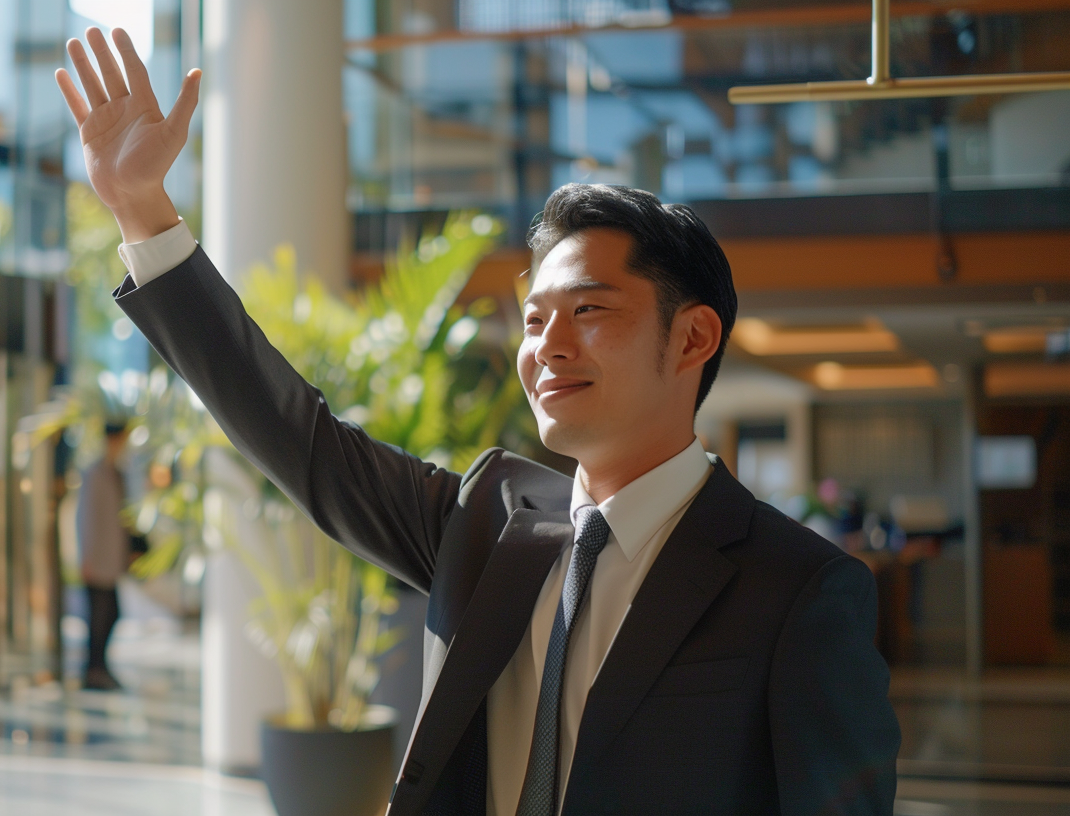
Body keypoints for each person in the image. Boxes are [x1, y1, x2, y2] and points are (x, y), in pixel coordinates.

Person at [55, 28, 900, 815]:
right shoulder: (489, 523)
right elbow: (299, 439)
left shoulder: (798, 591)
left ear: (692, 336)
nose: (548, 347)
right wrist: (143, 213)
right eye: (533, 321)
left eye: (589, 311)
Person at [77, 422, 131, 691]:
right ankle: (93, 670)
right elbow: (87, 519)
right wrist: (86, 557)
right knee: (99, 617)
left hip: (111, 560)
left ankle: (98, 668)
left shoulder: (116, 474)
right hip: (97, 560)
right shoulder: (95, 474)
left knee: (110, 614)